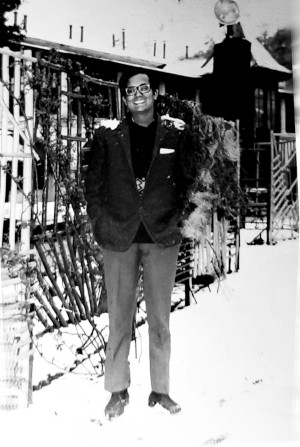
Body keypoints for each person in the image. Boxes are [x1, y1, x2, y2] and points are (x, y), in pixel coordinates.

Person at [84, 68, 195, 419]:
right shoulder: (108, 136)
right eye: (131, 90)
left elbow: (189, 179)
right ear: (125, 98)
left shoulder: (177, 134)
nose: (139, 94)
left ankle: (160, 391)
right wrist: (99, 224)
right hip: (119, 238)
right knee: (119, 317)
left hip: (161, 237)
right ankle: (118, 391)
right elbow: (94, 184)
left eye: (144, 88)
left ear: (154, 94)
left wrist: (180, 218)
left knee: (161, 320)